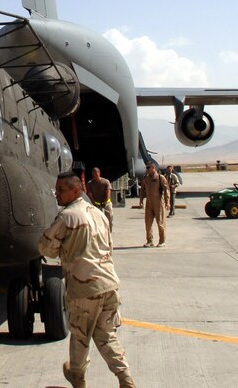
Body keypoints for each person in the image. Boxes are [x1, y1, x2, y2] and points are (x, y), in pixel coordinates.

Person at [38, 171, 136, 388]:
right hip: (109, 284)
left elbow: (45, 247)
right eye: (56, 190)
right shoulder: (98, 213)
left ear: (76, 190)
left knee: (80, 337)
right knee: (106, 336)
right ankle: (125, 379)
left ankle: (78, 379)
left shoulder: (66, 217)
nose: (57, 195)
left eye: (61, 190)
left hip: (85, 288)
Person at [139, 162, 166, 247]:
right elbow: (142, 190)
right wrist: (141, 200)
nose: (147, 169)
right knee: (148, 223)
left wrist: (168, 202)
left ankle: (162, 241)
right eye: (146, 168)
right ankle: (149, 240)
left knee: (160, 222)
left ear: (153, 168)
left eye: (148, 168)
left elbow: (166, 189)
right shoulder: (146, 179)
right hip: (149, 202)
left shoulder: (160, 177)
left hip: (158, 202)